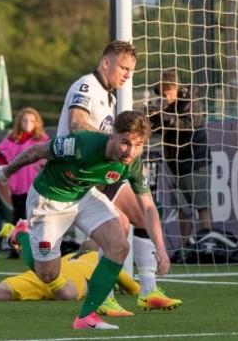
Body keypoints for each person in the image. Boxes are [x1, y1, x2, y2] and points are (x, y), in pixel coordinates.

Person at [0, 110, 168, 330]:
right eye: (126, 143)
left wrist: (160, 248)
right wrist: (6, 172)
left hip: (84, 196)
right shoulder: (81, 144)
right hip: (49, 200)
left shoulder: (133, 164)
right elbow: (36, 151)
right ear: (113, 135)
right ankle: (22, 234)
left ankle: (87, 316)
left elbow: (148, 208)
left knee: (119, 247)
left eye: (138, 145)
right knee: (47, 275)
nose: (131, 151)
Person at [57, 40, 182, 315]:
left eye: (131, 70)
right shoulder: (86, 86)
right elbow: (77, 125)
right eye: (123, 67)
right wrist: (119, 143)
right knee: (143, 212)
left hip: (97, 170)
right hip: (81, 169)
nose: (127, 74)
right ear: (105, 63)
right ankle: (145, 291)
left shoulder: (109, 95)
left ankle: (107, 294)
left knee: (123, 224)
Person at [0, 213, 138, 306]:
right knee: (68, 293)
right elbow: (133, 288)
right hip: (62, 283)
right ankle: (19, 234)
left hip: (43, 274)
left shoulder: (69, 257)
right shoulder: (104, 262)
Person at [148, 69, 213, 252]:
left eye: (166, 92)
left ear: (175, 88)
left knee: (202, 206)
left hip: (196, 162)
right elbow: (162, 130)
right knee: (182, 209)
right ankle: (185, 248)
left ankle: (207, 245)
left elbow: (189, 125)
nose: (164, 97)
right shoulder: (166, 106)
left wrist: (165, 116)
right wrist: (153, 118)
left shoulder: (191, 100)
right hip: (175, 165)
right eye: (162, 93)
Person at [0, 107, 50, 259]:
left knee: (37, 217)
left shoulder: (42, 139)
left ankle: (39, 248)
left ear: (37, 123)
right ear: (19, 122)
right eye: (25, 120)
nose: (28, 123)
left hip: (37, 185)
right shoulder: (13, 139)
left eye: (31, 121)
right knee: (18, 216)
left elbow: (50, 156)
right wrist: (4, 171)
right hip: (18, 186)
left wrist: (43, 163)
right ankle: (15, 249)